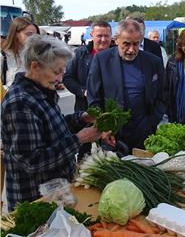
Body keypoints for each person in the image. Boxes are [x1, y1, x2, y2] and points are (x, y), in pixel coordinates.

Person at [1, 34, 110, 211]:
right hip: (34, 200)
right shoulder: (20, 103)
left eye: (62, 71)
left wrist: (81, 118)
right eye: (56, 72)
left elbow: (52, 130)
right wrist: (79, 140)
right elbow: (32, 161)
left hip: (56, 192)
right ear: (35, 66)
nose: (60, 78)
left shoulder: (42, 90)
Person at [87, 19, 166, 150]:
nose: (131, 50)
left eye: (136, 44)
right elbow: (93, 98)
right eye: (126, 44)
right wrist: (104, 127)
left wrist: (151, 123)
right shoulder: (102, 60)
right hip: (112, 133)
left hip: (144, 132)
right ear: (116, 40)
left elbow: (162, 95)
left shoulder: (153, 62)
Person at [63, 21, 112, 112]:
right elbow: (67, 78)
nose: (103, 39)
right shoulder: (79, 54)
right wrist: (83, 91)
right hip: (85, 108)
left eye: (107, 36)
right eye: (99, 36)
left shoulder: (118, 55)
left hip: (112, 109)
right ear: (91, 35)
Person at [1, 17, 39, 88]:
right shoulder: (3, 56)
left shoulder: (35, 55)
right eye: (28, 34)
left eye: (35, 35)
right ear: (16, 34)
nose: (34, 38)